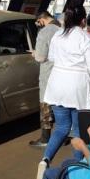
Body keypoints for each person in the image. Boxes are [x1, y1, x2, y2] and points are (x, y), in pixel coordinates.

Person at [37, 5, 90, 179]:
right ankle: (77, 167)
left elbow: (52, 58)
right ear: (83, 20)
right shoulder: (86, 38)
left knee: (61, 127)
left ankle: (45, 160)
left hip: (57, 85)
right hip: (77, 89)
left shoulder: (58, 35)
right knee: (79, 130)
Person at [29, 11, 61, 148]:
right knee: (60, 105)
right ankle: (62, 135)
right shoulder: (62, 28)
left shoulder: (45, 32)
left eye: (38, 23)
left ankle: (45, 138)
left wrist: (35, 54)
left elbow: (41, 57)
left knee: (46, 105)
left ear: (41, 19)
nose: (38, 25)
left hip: (48, 74)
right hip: (62, 73)